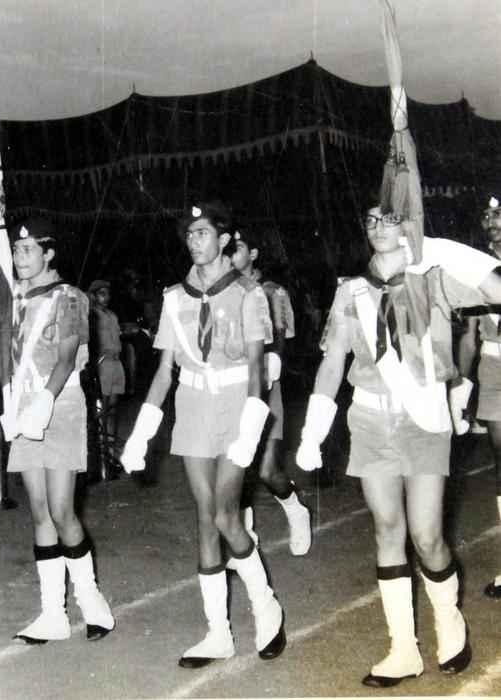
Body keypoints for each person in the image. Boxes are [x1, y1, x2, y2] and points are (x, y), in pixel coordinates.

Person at [294, 205, 501, 687]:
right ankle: (403, 648)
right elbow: (333, 361)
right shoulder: (351, 290)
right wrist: (313, 430)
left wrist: (445, 249)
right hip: (369, 420)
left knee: (427, 536)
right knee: (387, 529)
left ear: (407, 226)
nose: (377, 227)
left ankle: (449, 620)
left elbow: (496, 289)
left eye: (388, 218)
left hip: (423, 418)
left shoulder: (434, 278)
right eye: (370, 221)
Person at [122, 202, 285, 668]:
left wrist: (250, 428)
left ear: (224, 239)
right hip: (192, 407)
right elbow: (163, 371)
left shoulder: (249, 294)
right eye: (189, 234)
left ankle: (266, 606)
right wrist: (141, 433)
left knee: (226, 516)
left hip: (236, 407)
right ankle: (218, 633)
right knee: (205, 518)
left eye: (202, 233)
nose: (194, 241)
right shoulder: (175, 298)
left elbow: (256, 370)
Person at [6, 218, 115, 645]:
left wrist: (44, 402)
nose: (20, 257)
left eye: (28, 249)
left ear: (49, 253)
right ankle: (52, 613)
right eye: (16, 250)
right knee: (38, 512)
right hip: (24, 404)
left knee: (61, 510)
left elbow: (68, 358)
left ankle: (91, 600)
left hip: (60, 403)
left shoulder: (70, 297)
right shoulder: (14, 296)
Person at [229, 231, 311, 556]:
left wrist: (274, 358)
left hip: (264, 386)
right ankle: (245, 538)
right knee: (235, 468)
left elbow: (279, 333)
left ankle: (296, 510)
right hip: (230, 386)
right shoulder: (224, 291)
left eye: (237, 248)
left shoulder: (272, 291)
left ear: (253, 253)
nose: (230, 254)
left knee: (266, 471)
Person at [456, 194, 501, 600]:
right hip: (494, 367)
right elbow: (469, 336)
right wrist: (460, 384)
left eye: (499, 213)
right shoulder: (475, 270)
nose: (492, 220)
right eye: (487, 215)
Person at [88, 279, 126, 452]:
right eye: (102, 294)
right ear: (94, 296)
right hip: (102, 363)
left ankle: (110, 445)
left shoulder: (112, 315)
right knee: (101, 407)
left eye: (107, 294)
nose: (106, 297)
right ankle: (100, 447)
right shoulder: (91, 315)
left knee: (113, 407)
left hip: (116, 362)